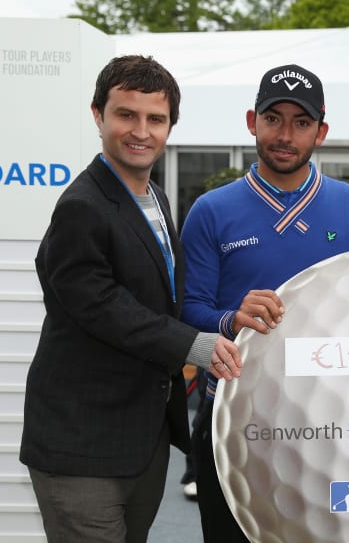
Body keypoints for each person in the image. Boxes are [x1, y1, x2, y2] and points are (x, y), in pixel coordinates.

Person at [180, 63, 349, 542]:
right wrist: (231, 319)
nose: (285, 135)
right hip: (234, 417)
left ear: (321, 132)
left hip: (332, 422)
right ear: (252, 121)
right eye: (273, 119)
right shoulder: (211, 210)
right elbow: (188, 310)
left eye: (301, 123)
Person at [19, 55, 242, 543]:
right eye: (126, 115)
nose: (141, 131)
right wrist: (195, 345)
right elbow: (100, 305)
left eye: (155, 119)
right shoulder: (82, 207)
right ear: (98, 115)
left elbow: (161, 297)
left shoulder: (156, 199)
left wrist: (229, 320)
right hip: (82, 447)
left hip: (140, 441)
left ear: (169, 126)